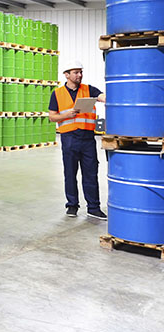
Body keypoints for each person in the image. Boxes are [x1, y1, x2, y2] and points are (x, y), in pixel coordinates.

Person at [48, 60, 107, 220]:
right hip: (69, 139)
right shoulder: (57, 93)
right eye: (75, 72)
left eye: (80, 72)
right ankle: (72, 205)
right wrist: (66, 115)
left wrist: (106, 97)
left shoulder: (89, 89)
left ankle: (93, 207)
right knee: (70, 173)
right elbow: (52, 117)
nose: (79, 75)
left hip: (87, 138)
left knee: (90, 173)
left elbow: (103, 97)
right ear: (66, 74)